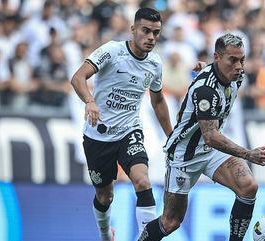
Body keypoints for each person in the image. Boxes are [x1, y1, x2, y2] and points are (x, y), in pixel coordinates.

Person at [137, 33, 265, 241]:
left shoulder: (235, 75)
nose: (239, 66)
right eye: (233, 60)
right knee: (171, 222)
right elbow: (210, 136)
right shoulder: (206, 90)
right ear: (218, 57)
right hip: (186, 155)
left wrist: (208, 66)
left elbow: (210, 140)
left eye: (242, 59)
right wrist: (248, 154)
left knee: (248, 186)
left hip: (211, 151)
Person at [71, 8, 171, 241]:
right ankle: (105, 235)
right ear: (133, 29)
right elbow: (78, 77)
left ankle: (146, 237)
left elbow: (158, 101)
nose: (151, 38)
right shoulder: (112, 51)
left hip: (129, 131)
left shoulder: (155, 64)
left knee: (143, 181)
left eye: (156, 33)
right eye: (146, 31)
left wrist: (171, 135)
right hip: (98, 135)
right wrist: (89, 101)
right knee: (105, 196)